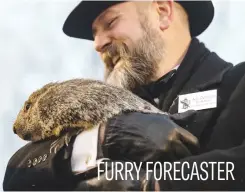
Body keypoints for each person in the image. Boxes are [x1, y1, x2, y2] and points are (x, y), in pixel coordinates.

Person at [3, 0, 245, 190]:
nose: (97, 44)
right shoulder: (100, 114)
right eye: (94, 34)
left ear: (162, 12)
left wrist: (155, 185)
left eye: (110, 23)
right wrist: (101, 139)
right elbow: (17, 175)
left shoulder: (236, 84)